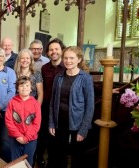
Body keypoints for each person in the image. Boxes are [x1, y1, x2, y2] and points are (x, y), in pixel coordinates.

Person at [49, 46, 94, 168]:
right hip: (60, 122)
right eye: (66, 58)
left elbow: (90, 106)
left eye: (72, 58)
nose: (68, 61)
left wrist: (84, 129)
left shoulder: (85, 78)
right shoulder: (58, 77)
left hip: (78, 123)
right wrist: (52, 123)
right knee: (59, 155)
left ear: (79, 59)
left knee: (77, 157)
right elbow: (53, 102)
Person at [40, 38, 66, 168]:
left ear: (62, 51)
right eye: (51, 49)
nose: (53, 52)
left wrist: (108, 89)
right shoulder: (44, 68)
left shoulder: (67, 66)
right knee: (49, 140)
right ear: (47, 52)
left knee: (61, 142)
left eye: (56, 49)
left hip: (63, 110)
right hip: (47, 109)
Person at [5, 76, 41, 166]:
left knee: (28, 162)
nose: (24, 88)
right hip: (15, 138)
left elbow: (36, 124)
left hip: (31, 140)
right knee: (16, 162)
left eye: (27, 85)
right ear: (17, 88)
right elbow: (9, 121)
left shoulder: (35, 103)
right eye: (21, 86)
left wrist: (26, 138)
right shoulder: (12, 102)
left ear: (31, 88)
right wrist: (18, 136)